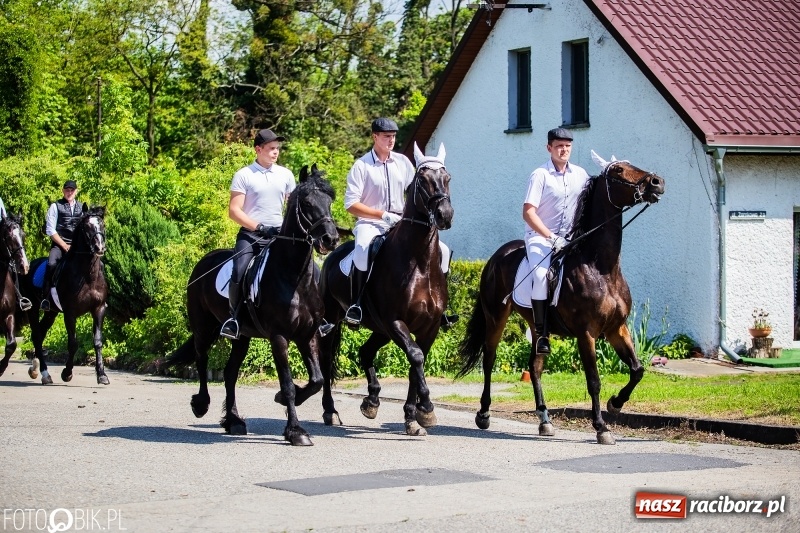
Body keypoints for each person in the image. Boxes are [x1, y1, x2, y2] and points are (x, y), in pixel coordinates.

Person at [219, 128, 295, 340]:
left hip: (279, 236)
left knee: (310, 268)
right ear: (258, 149)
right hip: (252, 236)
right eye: (271, 148)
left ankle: (319, 317)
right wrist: (259, 226)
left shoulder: (286, 175)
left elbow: (292, 208)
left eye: (277, 148)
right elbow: (234, 211)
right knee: (239, 271)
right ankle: (234, 319)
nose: (275, 152)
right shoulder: (244, 175)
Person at [522, 127, 590, 355]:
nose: (564, 150)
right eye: (559, 146)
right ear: (549, 147)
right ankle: (541, 334)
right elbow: (529, 213)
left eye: (568, 146)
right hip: (541, 237)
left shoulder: (580, 174)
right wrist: (551, 237)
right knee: (541, 276)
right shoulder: (539, 175)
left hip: (570, 240)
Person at [342, 118, 416, 325]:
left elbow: (415, 192)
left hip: (402, 221)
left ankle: (440, 307)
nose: (391, 140)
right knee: (364, 248)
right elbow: (350, 204)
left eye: (393, 136)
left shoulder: (403, 162)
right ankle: (356, 304)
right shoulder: (361, 165)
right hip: (371, 222)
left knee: (440, 249)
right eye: (386, 136)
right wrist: (382, 214)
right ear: (375, 136)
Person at [41, 180, 81, 311]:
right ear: (63, 191)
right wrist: (64, 245)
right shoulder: (55, 206)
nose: (69, 192)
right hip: (59, 245)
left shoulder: (81, 207)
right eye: (67, 190)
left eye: (72, 190)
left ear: (76, 191)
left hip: (76, 248)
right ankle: (45, 298)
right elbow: (50, 230)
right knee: (51, 264)